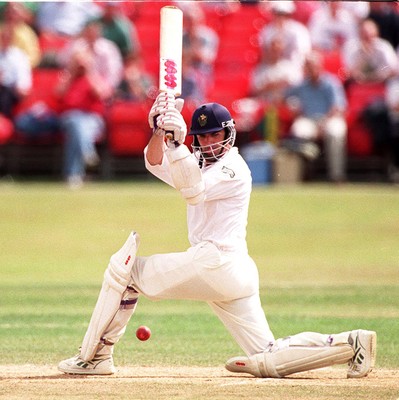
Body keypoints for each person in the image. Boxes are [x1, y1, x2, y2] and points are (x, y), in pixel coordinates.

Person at [57, 91, 376, 379]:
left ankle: (95, 357)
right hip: (231, 270)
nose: (210, 142)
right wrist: (159, 133)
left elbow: (193, 191)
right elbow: (154, 163)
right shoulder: (195, 161)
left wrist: (175, 144)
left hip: (216, 261)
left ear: (229, 133)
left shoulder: (233, 168)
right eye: (203, 137)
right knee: (268, 355)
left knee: (125, 273)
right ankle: (352, 343)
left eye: (216, 135)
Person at [56, 19, 123, 188]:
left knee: (79, 128)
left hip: (93, 118)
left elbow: (103, 93)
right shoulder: (69, 77)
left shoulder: (94, 77)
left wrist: (90, 70)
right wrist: (72, 70)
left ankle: (73, 176)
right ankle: (87, 151)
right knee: (76, 122)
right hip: (69, 117)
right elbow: (58, 93)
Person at [284, 52, 348, 183]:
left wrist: (323, 124)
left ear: (319, 66)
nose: (310, 69)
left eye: (312, 66)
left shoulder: (331, 83)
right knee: (299, 130)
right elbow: (284, 96)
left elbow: (338, 107)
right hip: (309, 120)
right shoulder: (301, 85)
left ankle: (336, 176)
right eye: (307, 67)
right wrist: (292, 105)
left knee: (335, 132)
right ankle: (303, 175)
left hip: (329, 119)